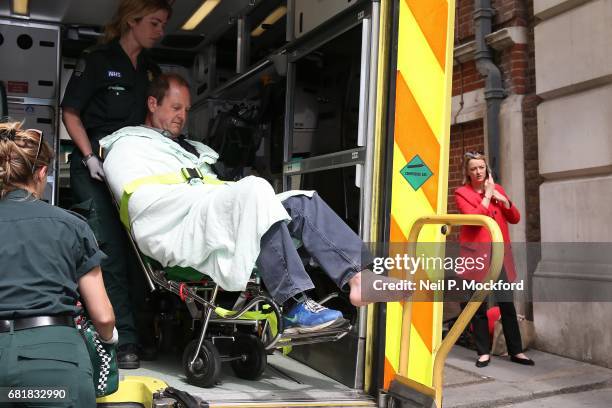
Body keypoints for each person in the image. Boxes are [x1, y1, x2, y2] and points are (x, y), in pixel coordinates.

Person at [100, 74, 398, 333]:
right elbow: (144, 204)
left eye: (187, 110)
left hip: (212, 210)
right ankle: (295, 304)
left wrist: (224, 194)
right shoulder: (128, 146)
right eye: (176, 107)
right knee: (254, 192)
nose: (182, 116)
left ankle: (360, 276)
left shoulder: (189, 151)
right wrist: (216, 197)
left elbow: (216, 187)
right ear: (153, 104)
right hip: (180, 223)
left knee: (303, 201)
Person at [61, 0, 171, 368]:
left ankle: (141, 332)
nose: (160, 31)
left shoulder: (149, 71)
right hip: (93, 167)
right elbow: (70, 111)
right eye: (154, 23)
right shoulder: (98, 61)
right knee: (107, 248)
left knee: (140, 250)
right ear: (132, 21)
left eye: (162, 25)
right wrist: (90, 155)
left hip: (131, 167)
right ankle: (121, 339)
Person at [0, 122, 116, 407]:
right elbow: (103, 317)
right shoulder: (73, 227)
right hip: (54, 369)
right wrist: (108, 341)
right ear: (41, 173)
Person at [455, 151, 534, 367]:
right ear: (467, 172)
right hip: (476, 258)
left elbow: (515, 217)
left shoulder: (498, 189)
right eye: (473, 169)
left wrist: (502, 199)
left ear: (486, 168)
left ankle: (516, 351)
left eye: (481, 167)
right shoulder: (461, 193)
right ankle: (483, 352)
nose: (478, 172)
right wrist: (487, 196)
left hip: (499, 257)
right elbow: (473, 221)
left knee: (507, 305)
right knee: (477, 307)